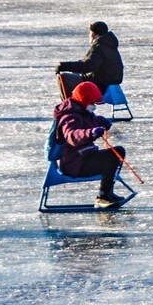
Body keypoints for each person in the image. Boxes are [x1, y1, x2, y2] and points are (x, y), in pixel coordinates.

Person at [53, 81, 127, 209]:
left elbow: (90, 120)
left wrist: (101, 121)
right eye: (92, 103)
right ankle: (103, 196)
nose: (94, 106)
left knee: (118, 152)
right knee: (112, 157)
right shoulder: (69, 117)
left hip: (84, 157)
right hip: (74, 164)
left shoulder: (81, 111)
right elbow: (72, 135)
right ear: (84, 100)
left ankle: (107, 192)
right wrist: (90, 133)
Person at [56, 21, 124, 96]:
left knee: (63, 78)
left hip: (99, 85)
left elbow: (88, 66)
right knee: (74, 73)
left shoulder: (99, 47)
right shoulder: (110, 46)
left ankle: (71, 103)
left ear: (94, 34)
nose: (89, 35)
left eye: (90, 33)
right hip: (109, 83)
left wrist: (64, 66)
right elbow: (89, 63)